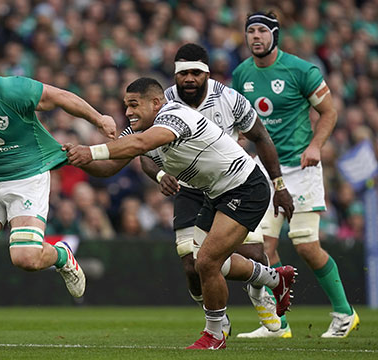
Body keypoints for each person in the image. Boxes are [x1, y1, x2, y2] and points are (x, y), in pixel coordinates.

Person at [66, 77, 296, 350]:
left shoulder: (175, 115)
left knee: (207, 261)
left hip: (245, 187)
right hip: (215, 192)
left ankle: (215, 334)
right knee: (203, 262)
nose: (127, 112)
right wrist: (73, 158)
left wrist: (89, 151)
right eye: (126, 106)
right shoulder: (141, 129)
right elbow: (108, 168)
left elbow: (139, 145)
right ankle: (274, 278)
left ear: (156, 103)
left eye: (133, 105)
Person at [0, 54, 116, 352]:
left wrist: (98, 119)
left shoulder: (11, 90)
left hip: (28, 175)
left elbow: (60, 97)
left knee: (26, 259)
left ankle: (61, 256)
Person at [145, 43, 294, 335]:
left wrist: (279, 185)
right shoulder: (163, 102)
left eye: (196, 73)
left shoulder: (229, 99)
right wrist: (161, 172)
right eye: (183, 73)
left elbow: (261, 137)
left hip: (232, 184)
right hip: (189, 189)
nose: (189, 79)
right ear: (174, 74)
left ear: (207, 73)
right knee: (193, 267)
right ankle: (217, 318)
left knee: (250, 255)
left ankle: (265, 299)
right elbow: (142, 151)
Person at [232, 11, 359, 339]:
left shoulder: (301, 70)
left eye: (262, 30)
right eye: (250, 31)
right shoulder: (241, 73)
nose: (255, 36)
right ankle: (278, 324)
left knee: (305, 245)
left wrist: (316, 145)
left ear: (275, 35)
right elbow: (240, 122)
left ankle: (345, 313)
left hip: (301, 169)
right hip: (264, 171)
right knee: (260, 249)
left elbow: (329, 111)